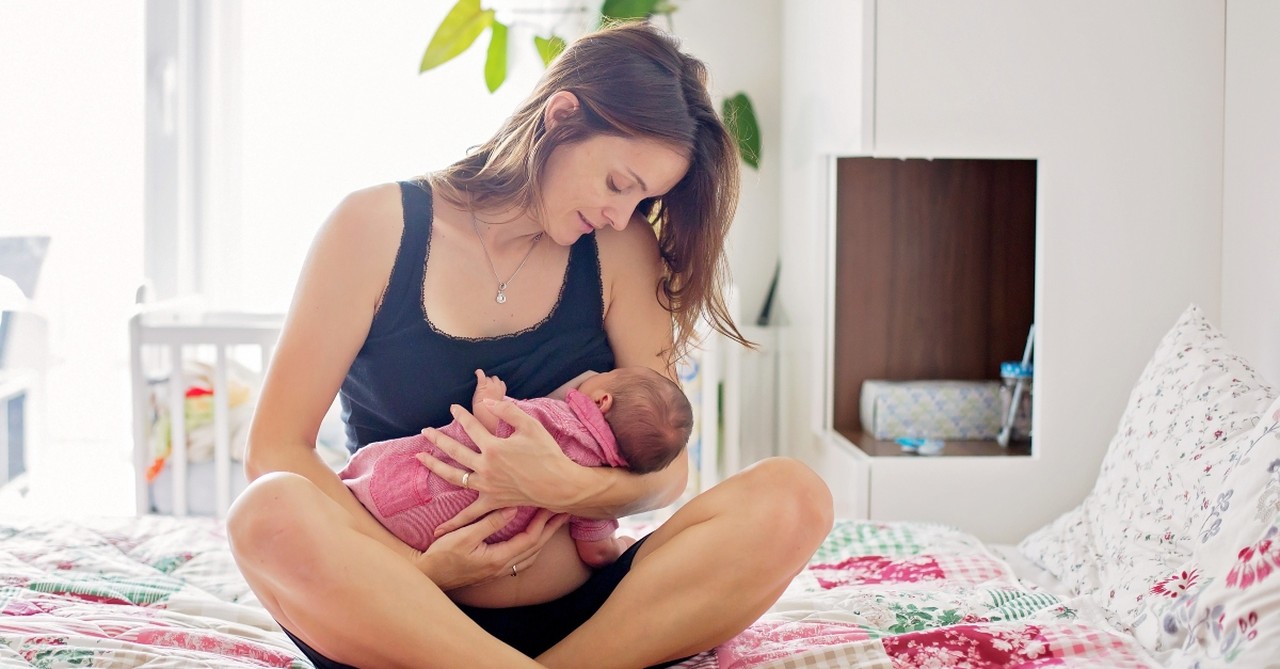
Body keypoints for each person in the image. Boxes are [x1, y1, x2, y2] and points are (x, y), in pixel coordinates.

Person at [227, 19, 833, 669]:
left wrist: (568, 487)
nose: (622, 215)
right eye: (619, 183)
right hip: (406, 614)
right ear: (561, 117)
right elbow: (275, 448)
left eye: (645, 200)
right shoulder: (372, 227)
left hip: (591, 623)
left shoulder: (621, 250)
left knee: (795, 496)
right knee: (265, 514)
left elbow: (667, 474)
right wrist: (420, 566)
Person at [340, 367, 691, 574]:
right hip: (442, 537)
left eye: (606, 374)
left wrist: (489, 395)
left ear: (602, 400)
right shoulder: (599, 487)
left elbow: (493, 419)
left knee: (368, 483)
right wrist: (622, 547)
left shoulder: (555, 417)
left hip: (402, 488)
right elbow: (595, 552)